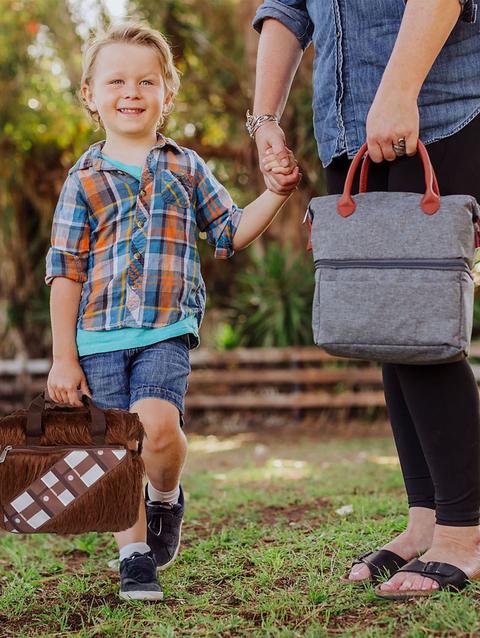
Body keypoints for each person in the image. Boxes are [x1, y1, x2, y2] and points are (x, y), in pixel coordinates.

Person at [45, 21, 300, 601]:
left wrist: (277, 193)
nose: (131, 92)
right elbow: (65, 270)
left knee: (159, 431)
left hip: (167, 330)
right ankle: (134, 555)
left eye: (146, 81)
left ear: (166, 93)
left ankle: (166, 497)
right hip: (98, 337)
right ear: (90, 94)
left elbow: (230, 231)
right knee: (115, 451)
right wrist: (64, 358)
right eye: (116, 81)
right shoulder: (82, 180)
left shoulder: (185, 167)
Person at [252, 0, 480, 599]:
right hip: (346, 128)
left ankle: (466, 529)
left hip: (435, 110)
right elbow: (288, 8)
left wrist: (400, 87)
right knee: (388, 324)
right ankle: (426, 519)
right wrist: (264, 119)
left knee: (420, 322)